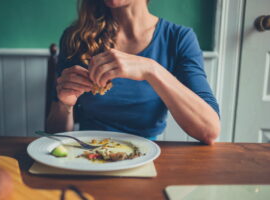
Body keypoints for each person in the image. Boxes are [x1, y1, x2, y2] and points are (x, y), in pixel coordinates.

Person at [46, 0, 220, 145]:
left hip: (146, 156)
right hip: (85, 153)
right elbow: (53, 135)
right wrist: (64, 105)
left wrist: (151, 70)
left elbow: (209, 131)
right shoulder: (76, 38)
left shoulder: (179, 38)